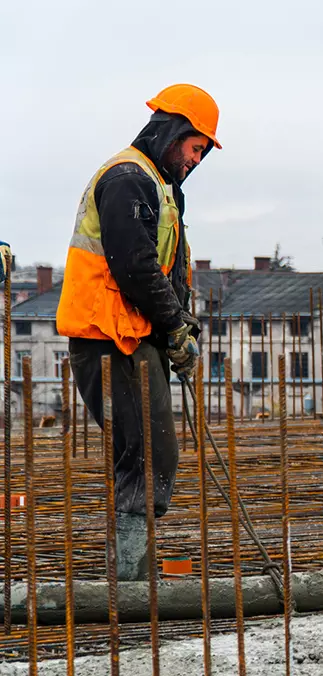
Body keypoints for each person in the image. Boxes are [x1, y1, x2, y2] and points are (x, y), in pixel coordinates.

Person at [57, 84, 219, 580]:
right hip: (107, 339)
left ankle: (131, 567)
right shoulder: (128, 178)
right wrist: (172, 325)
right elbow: (134, 265)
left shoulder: (162, 187)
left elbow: (170, 271)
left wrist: (181, 327)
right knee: (149, 447)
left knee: (147, 448)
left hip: (129, 337)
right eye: (195, 149)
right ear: (173, 132)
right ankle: (128, 575)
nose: (194, 160)